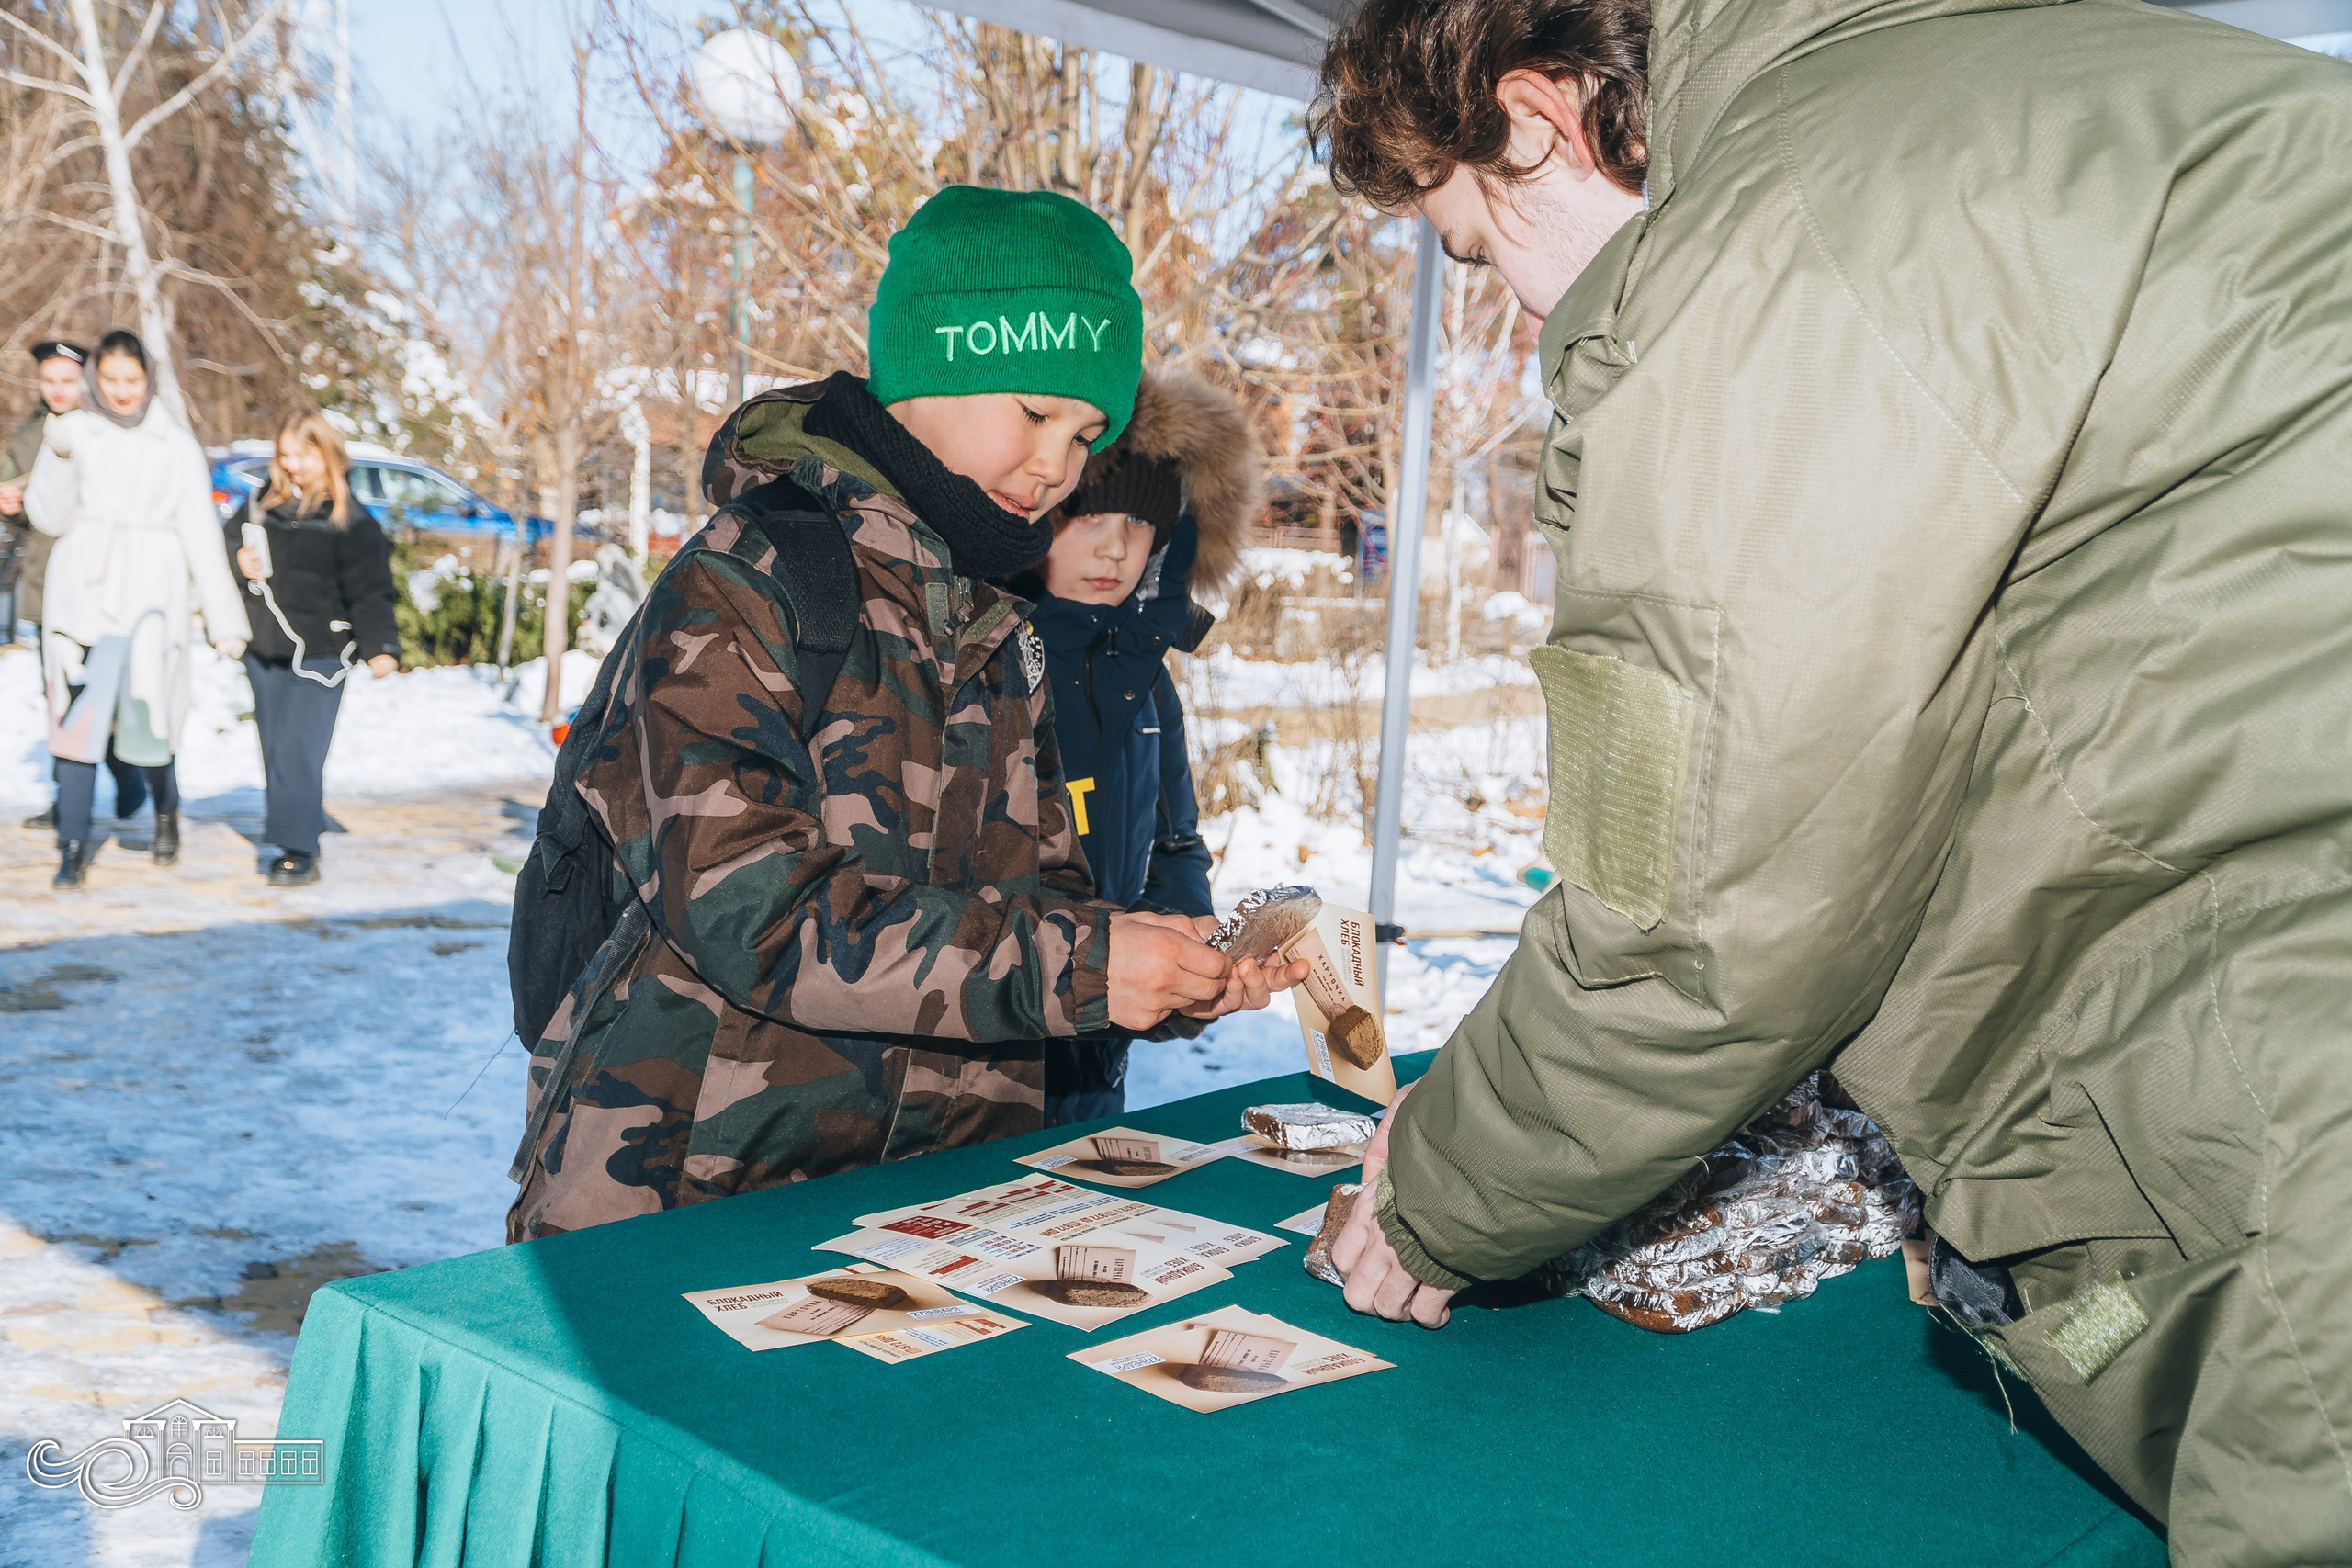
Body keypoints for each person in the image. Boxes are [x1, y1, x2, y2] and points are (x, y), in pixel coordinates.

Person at [1312, 0, 2350, 1556]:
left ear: (1532, 119)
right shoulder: (2124, 87)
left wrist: (1444, 1184)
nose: (1512, 311)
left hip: (2286, 1112)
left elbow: (1701, 902)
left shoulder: (1783, 235)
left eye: (1475, 249)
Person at [509, 187, 1306, 1240]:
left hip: (935, 1215)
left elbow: (1038, 893)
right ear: (930, 371)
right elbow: (752, 912)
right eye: (1032, 413)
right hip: (691, 1191)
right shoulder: (751, 576)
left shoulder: (998, 611)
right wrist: (1082, 967)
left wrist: (1152, 965)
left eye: (1085, 434)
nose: (1056, 467)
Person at [1009, 367, 1255, 1123]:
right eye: (1088, 518)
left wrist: (1187, 947)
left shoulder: (1145, 679)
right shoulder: (984, 662)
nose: (1116, 549)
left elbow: (1176, 843)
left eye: (1142, 525)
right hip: (984, 1071)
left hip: (1096, 1070)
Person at [27, 331, 249, 889]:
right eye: (111, 380)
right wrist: (55, 456)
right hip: (83, 590)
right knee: (74, 722)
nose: (122, 392)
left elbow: (201, 533)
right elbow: (48, 517)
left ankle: (166, 812)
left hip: (153, 594)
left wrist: (224, 618)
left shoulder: (174, 445)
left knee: (150, 721)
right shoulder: (73, 430)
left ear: (148, 379)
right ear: (95, 379)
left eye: (133, 380)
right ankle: (72, 844)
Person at [225, 410, 401, 887]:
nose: (294, 464)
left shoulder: (351, 519)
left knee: (300, 749)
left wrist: (380, 645)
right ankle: (292, 820)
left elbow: (371, 589)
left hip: (324, 650)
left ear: (328, 454)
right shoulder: (262, 503)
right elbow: (227, 549)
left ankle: (298, 848)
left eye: (305, 453)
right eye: (285, 454)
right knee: (275, 746)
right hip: (265, 645)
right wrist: (239, 561)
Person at [6, 342, 152, 831]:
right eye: (49, 381)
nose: (58, 390)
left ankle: (127, 774)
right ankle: (68, 799)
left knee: (104, 693)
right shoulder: (29, 436)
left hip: (105, 584)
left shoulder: (108, 430)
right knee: (60, 697)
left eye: (67, 380)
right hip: (48, 583)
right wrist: (10, 502)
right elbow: (16, 492)